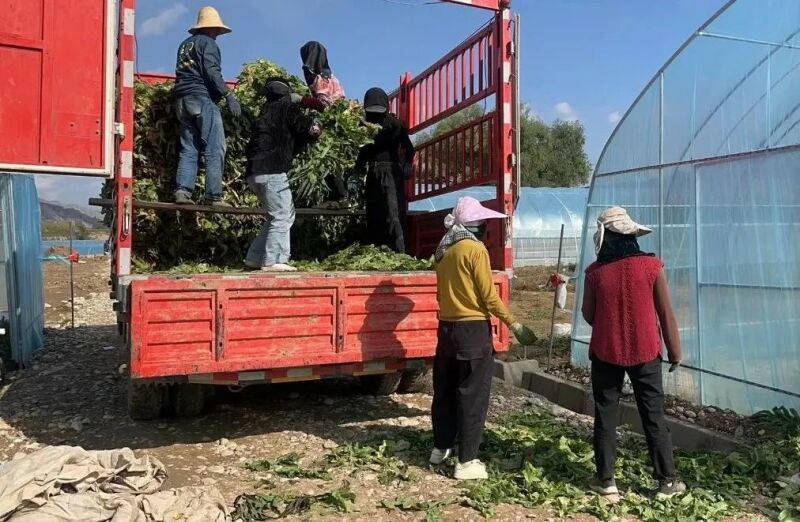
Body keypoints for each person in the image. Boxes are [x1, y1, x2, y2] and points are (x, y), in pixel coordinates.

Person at [581, 207, 686, 499]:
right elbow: (666, 314)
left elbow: (588, 314)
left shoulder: (596, 273)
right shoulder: (652, 267)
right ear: (631, 237)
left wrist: (609, 321)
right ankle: (666, 481)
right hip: (647, 354)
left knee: (605, 415)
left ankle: (606, 481)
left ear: (604, 239)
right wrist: (675, 351)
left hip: (605, 353)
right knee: (653, 415)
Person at [431, 197, 537, 480]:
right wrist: (514, 323)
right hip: (471, 331)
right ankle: (467, 461)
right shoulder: (474, 250)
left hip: (446, 329)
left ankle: (441, 447)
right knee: (472, 395)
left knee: (445, 392)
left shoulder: (443, 250)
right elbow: (489, 297)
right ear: (476, 225)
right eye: (485, 224)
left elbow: (442, 293)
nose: (487, 228)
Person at [244, 78, 321, 272]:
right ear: (287, 93)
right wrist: (316, 126)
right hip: (272, 170)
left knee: (274, 217)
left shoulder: (264, 112)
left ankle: (255, 257)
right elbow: (305, 129)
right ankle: (274, 260)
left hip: (254, 173)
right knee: (283, 216)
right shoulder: (287, 108)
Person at [172, 6, 241, 207]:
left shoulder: (185, 45)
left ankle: (182, 192)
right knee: (215, 147)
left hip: (182, 101)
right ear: (211, 28)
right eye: (217, 30)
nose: (218, 34)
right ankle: (214, 196)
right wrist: (228, 95)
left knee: (189, 148)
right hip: (201, 98)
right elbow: (212, 71)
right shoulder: (208, 43)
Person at [356, 88, 414, 253]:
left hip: (390, 170)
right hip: (374, 172)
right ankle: (377, 248)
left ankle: (399, 251)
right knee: (374, 209)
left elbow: (408, 147)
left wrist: (407, 164)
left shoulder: (393, 124)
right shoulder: (363, 124)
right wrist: (358, 168)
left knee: (393, 211)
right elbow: (363, 151)